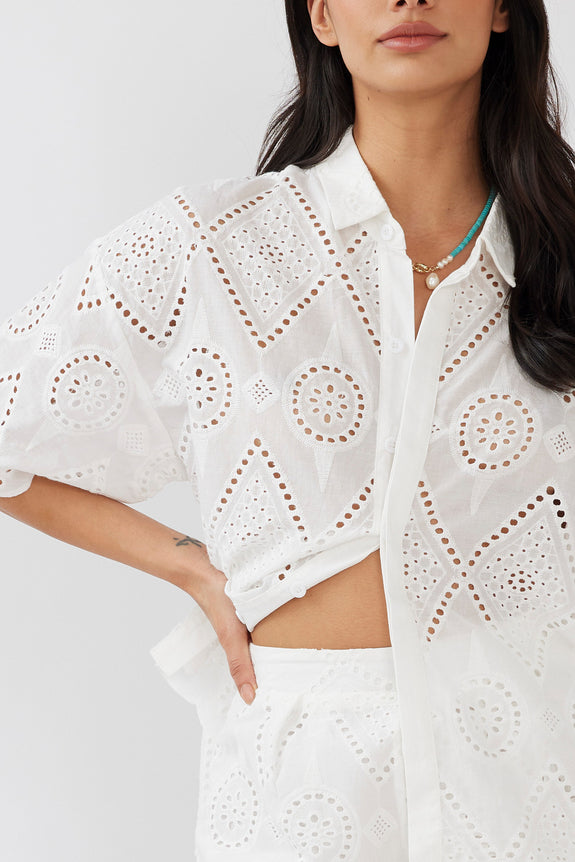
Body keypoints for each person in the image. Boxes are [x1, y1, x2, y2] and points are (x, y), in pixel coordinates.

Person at [1, 0, 574, 859]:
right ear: (321, 15)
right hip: (304, 793)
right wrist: (186, 565)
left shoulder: (561, 252)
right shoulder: (212, 245)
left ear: (501, 8)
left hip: (530, 779)